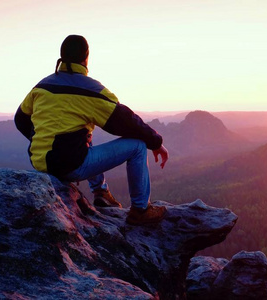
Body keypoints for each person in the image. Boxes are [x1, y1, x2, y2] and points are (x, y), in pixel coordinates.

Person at [14, 34, 168, 225]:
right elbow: (127, 121)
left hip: (39, 161)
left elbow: (20, 118)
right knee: (137, 145)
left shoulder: (43, 85)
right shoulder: (91, 90)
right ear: (86, 58)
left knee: (82, 131)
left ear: (62, 56)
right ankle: (141, 210)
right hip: (69, 165)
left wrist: (41, 138)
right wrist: (156, 142)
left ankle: (101, 192)